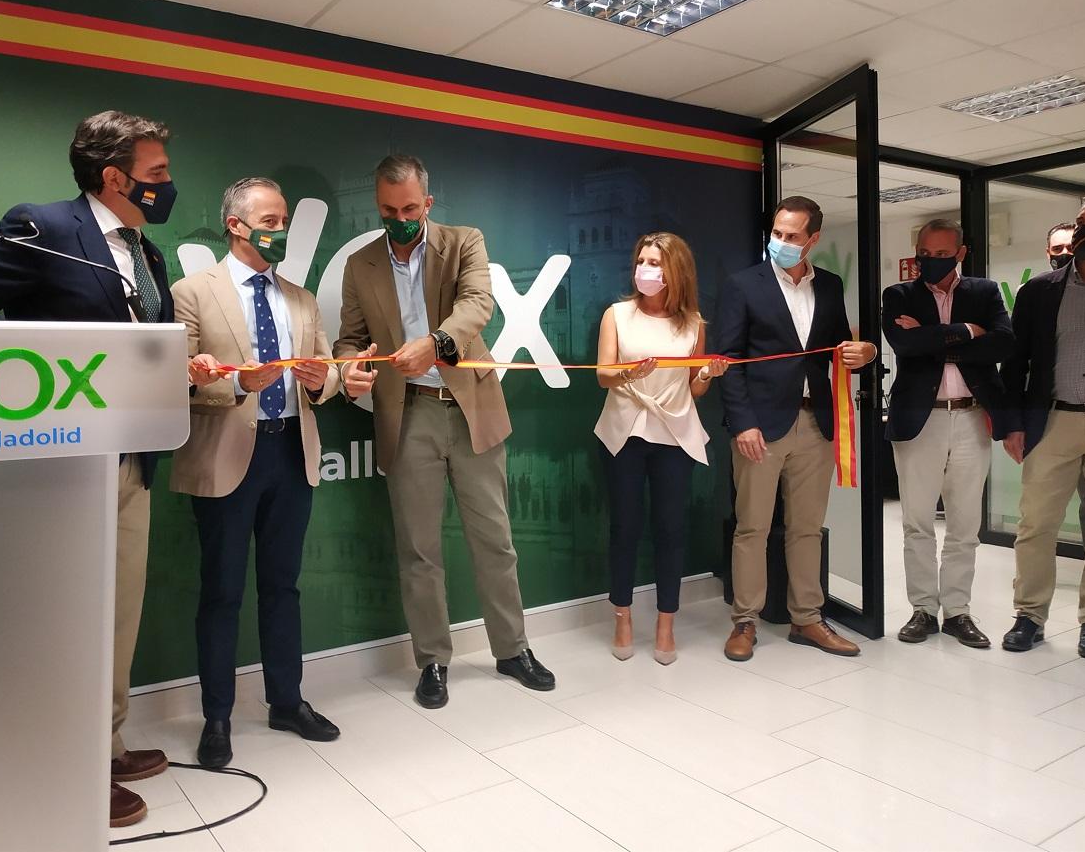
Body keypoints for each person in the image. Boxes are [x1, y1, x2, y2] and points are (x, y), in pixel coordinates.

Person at [0, 111, 177, 828]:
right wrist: (49, 356)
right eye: (158, 174)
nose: (168, 185)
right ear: (114, 177)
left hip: (133, 460)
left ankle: (106, 741)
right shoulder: (43, 227)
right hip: (63, 464)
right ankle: (68, 762)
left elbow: (136, 344)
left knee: (117, 615)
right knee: (68, 618)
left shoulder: (147, 253)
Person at [333, 154, 555, 708]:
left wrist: (434, 344)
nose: (400, 218)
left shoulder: (463, 242)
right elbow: (347, 338)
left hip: (470, 407)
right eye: (389, 210)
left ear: (427, 203)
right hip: (406, 414)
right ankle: (432, 660)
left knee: (495, 540)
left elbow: (478, 304)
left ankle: (512, 648)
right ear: (377, 208)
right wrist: (348, 369)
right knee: (419, 549)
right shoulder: (360, 264)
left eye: (410, 208)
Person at [171, 178, 342, 769]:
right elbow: (177, 378)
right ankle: (216, 718)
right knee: (221, 592)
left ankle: (286, 702)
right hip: (225, 457)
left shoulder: (301, 297)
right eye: (272, 219)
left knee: (284, 586)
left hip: (292, 452)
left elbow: (327, 368)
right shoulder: (192, 291)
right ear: (237, 225)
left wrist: (326, 382)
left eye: (286, 220)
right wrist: (236, 382)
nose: (282, 230)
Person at [715, 195, 877, 662]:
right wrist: (741, 423)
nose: (781, 243)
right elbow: (729, 362)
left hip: (816, 422)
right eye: (777, 234)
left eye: (791, 237)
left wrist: (863, 353)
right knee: (753, 528)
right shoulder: (743, 285)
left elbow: (838, 347)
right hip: (760, 427)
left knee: (806, 528)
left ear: (813, 240)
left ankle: (807, 618)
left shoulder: (829, 285)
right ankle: (745, 621)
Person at [1001, 193, 1085, 660]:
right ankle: (1029, 616)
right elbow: (1015, 363)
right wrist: (1012, 425)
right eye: (1080, 222)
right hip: (1052, 419)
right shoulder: (1040, 290)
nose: (1083, 232)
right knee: (1036, 525)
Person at [595, 232, 726, 665]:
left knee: (671, 530)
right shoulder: (617, 314)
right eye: (642, 261)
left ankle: (666, 624)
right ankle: (623, 617)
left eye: (655, 263)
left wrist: (708, 373)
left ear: (676, 272)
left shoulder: (694, 325)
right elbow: (603, 376)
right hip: (624, 432)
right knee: (625, 528)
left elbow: (695, 387)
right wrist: (629, 373)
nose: (646, 271)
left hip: (674, 435)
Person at [883, 218, 1014, 648]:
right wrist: (963, 332)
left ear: (961, 253)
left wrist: (932, 338)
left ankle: (958, 611)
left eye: (942, 254)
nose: (932, 261)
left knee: (964, 524)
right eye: (925, 253)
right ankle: (923, 609)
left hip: (972, 416)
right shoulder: (899, 295)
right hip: (921, 419)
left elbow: (1001, 344)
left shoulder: (985, 292)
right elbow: (905, 347)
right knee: (917, 522)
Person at [1048, 223, 1085, 547]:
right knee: (1043, 503)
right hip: (1052, 416)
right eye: (1057, 249)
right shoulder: (1036, 293)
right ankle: (1033, 571)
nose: (1064, 254)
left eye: (1069, 246)